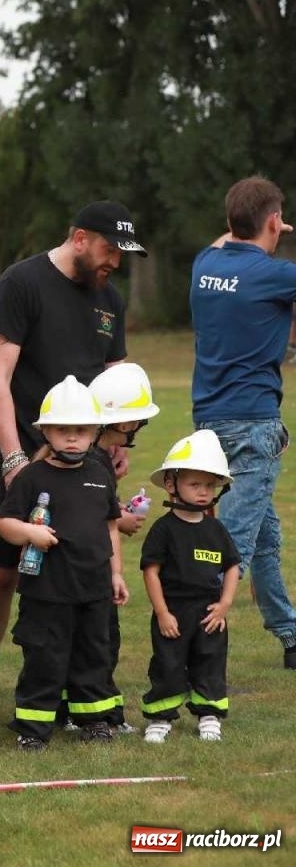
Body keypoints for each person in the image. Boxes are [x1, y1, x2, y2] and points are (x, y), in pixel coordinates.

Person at [0, 201, 143, 721]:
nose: (115, 260)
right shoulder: (21, 282)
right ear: (78, 238)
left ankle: (74, 693)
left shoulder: (107, 299)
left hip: (85, 462)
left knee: (80, 575)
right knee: (4, 573)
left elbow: (116, 383)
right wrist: (14, 459)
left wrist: (114, 444)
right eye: (109, 248)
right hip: (22, 452)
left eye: (121, 253)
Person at [189, 176, 296, 669]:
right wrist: (274, 232)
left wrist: (258, 225)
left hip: (207, 425)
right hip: (252, 426)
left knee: (264, 538)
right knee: (230, 548)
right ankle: (190, 651)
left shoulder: (205, 266)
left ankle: (290, 636)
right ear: (273, 221)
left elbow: (224, 242)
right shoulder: (274, 275)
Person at [0, 376, 128, 750]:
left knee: (94, 655)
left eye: (82, 431)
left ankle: (94, 720)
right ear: (47, 433)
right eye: (63, 430)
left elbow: (111, 527)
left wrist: (116, 573)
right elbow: (5, 523)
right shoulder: (32, 477)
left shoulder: (101, 475)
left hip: (94, 588)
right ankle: (34, 728)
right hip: (47, 591)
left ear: (94, 433)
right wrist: (29, 533)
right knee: (44, 657)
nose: (73, 438)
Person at [140, 431, 241, 743]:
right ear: (172, 484)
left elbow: (232, 566)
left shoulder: (216, 530)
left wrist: (224, 605)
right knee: (168, 664)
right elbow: (151, 572)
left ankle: (209, 715)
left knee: (209, 663)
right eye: (195, 484)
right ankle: (161, 717)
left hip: (210, 613)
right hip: (173, 611)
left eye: (209, 485)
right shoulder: (163, 529)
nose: (202, 492)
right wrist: (162, 613)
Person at [87, 361, 162, 734]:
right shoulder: (94, 462)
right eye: (134, 422)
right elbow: (86, 515)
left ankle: (97, 711)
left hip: (94, 566)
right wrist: (121, 519)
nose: (136, 429)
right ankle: (96, 716)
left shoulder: (96, 457)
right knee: (99, 641)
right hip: (91, 568)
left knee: (99, 640)